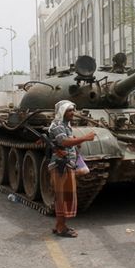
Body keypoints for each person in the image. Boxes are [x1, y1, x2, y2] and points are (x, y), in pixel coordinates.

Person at [47, 100, 95, 238]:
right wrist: (84, 138)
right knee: (62, 197)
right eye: (69, 110)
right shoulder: (57, 125)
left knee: (65, 196)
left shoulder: (65, 126)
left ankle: (60, 225)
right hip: (61, 166)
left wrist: (75, 143)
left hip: (67, 164)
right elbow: (63, 142)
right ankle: (61, 227)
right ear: (62, 112)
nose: (73, 113)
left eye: (73, 110)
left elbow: (67, 142)